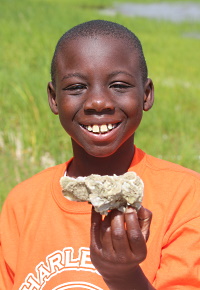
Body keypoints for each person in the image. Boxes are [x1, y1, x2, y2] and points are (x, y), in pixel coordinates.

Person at [0, 20, 199, 290]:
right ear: (53, 98)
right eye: (76, 87)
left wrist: (124, 276)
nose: (98, 102)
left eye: (118, 85)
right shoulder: (22, 204)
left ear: (147, 94)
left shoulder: (186, 198)